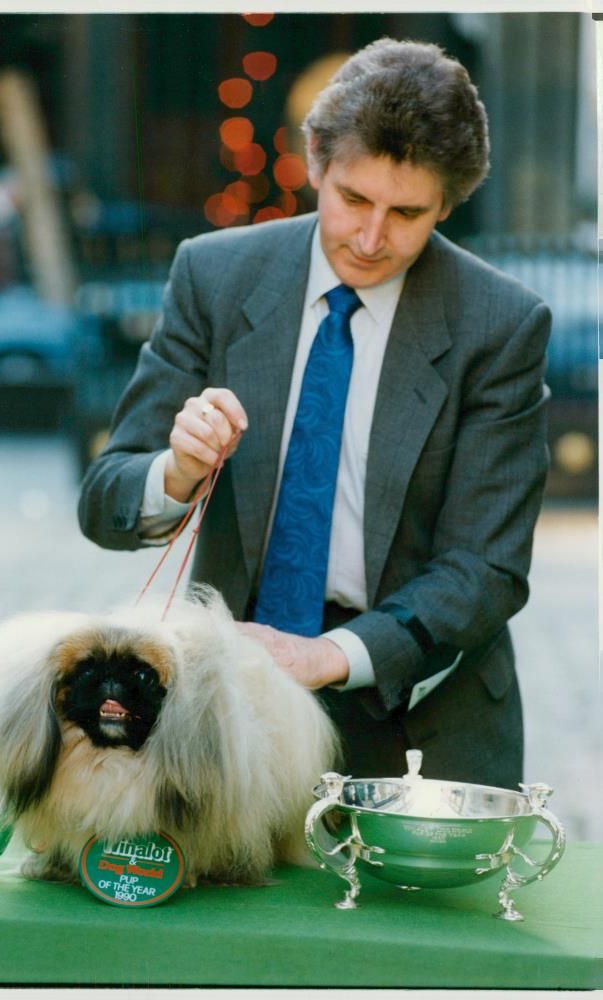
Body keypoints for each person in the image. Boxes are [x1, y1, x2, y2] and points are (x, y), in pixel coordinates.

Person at [78, 38, 551, 789]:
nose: (370, 238)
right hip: (229, 705)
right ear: (315, 165)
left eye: (406, 213)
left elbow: (485, 569)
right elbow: (102, 505)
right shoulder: (213, 275)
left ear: (449, 204)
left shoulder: (501, 322)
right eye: (353, 199)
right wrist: (176, 471)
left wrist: (329, 657)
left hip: (421, 708)